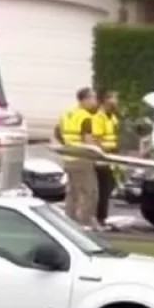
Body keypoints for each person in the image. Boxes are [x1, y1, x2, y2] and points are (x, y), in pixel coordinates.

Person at [55, 88, 98, 228]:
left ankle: (69, 220)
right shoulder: (85, 117)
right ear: (85, 99)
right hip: (82, 158)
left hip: (68, 158)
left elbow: (57, 132)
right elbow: (88, 139)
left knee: (72, 192)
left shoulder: (66, 114)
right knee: (90, 191)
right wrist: (96, 154)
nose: (95, 102)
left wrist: (67, 145)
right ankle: (86, 221)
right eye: (93, 98)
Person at [91, 89, 120, 230]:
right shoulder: (99, 118)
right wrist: (103, 152)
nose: (116, 102)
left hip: (111, 158)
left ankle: (102, 217)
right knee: (103, 188)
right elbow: (96, 139)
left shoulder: (112, 118)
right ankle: (99, 218)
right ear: (105, 101)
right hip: (102, 158)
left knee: (108, 188)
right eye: (113, 99)